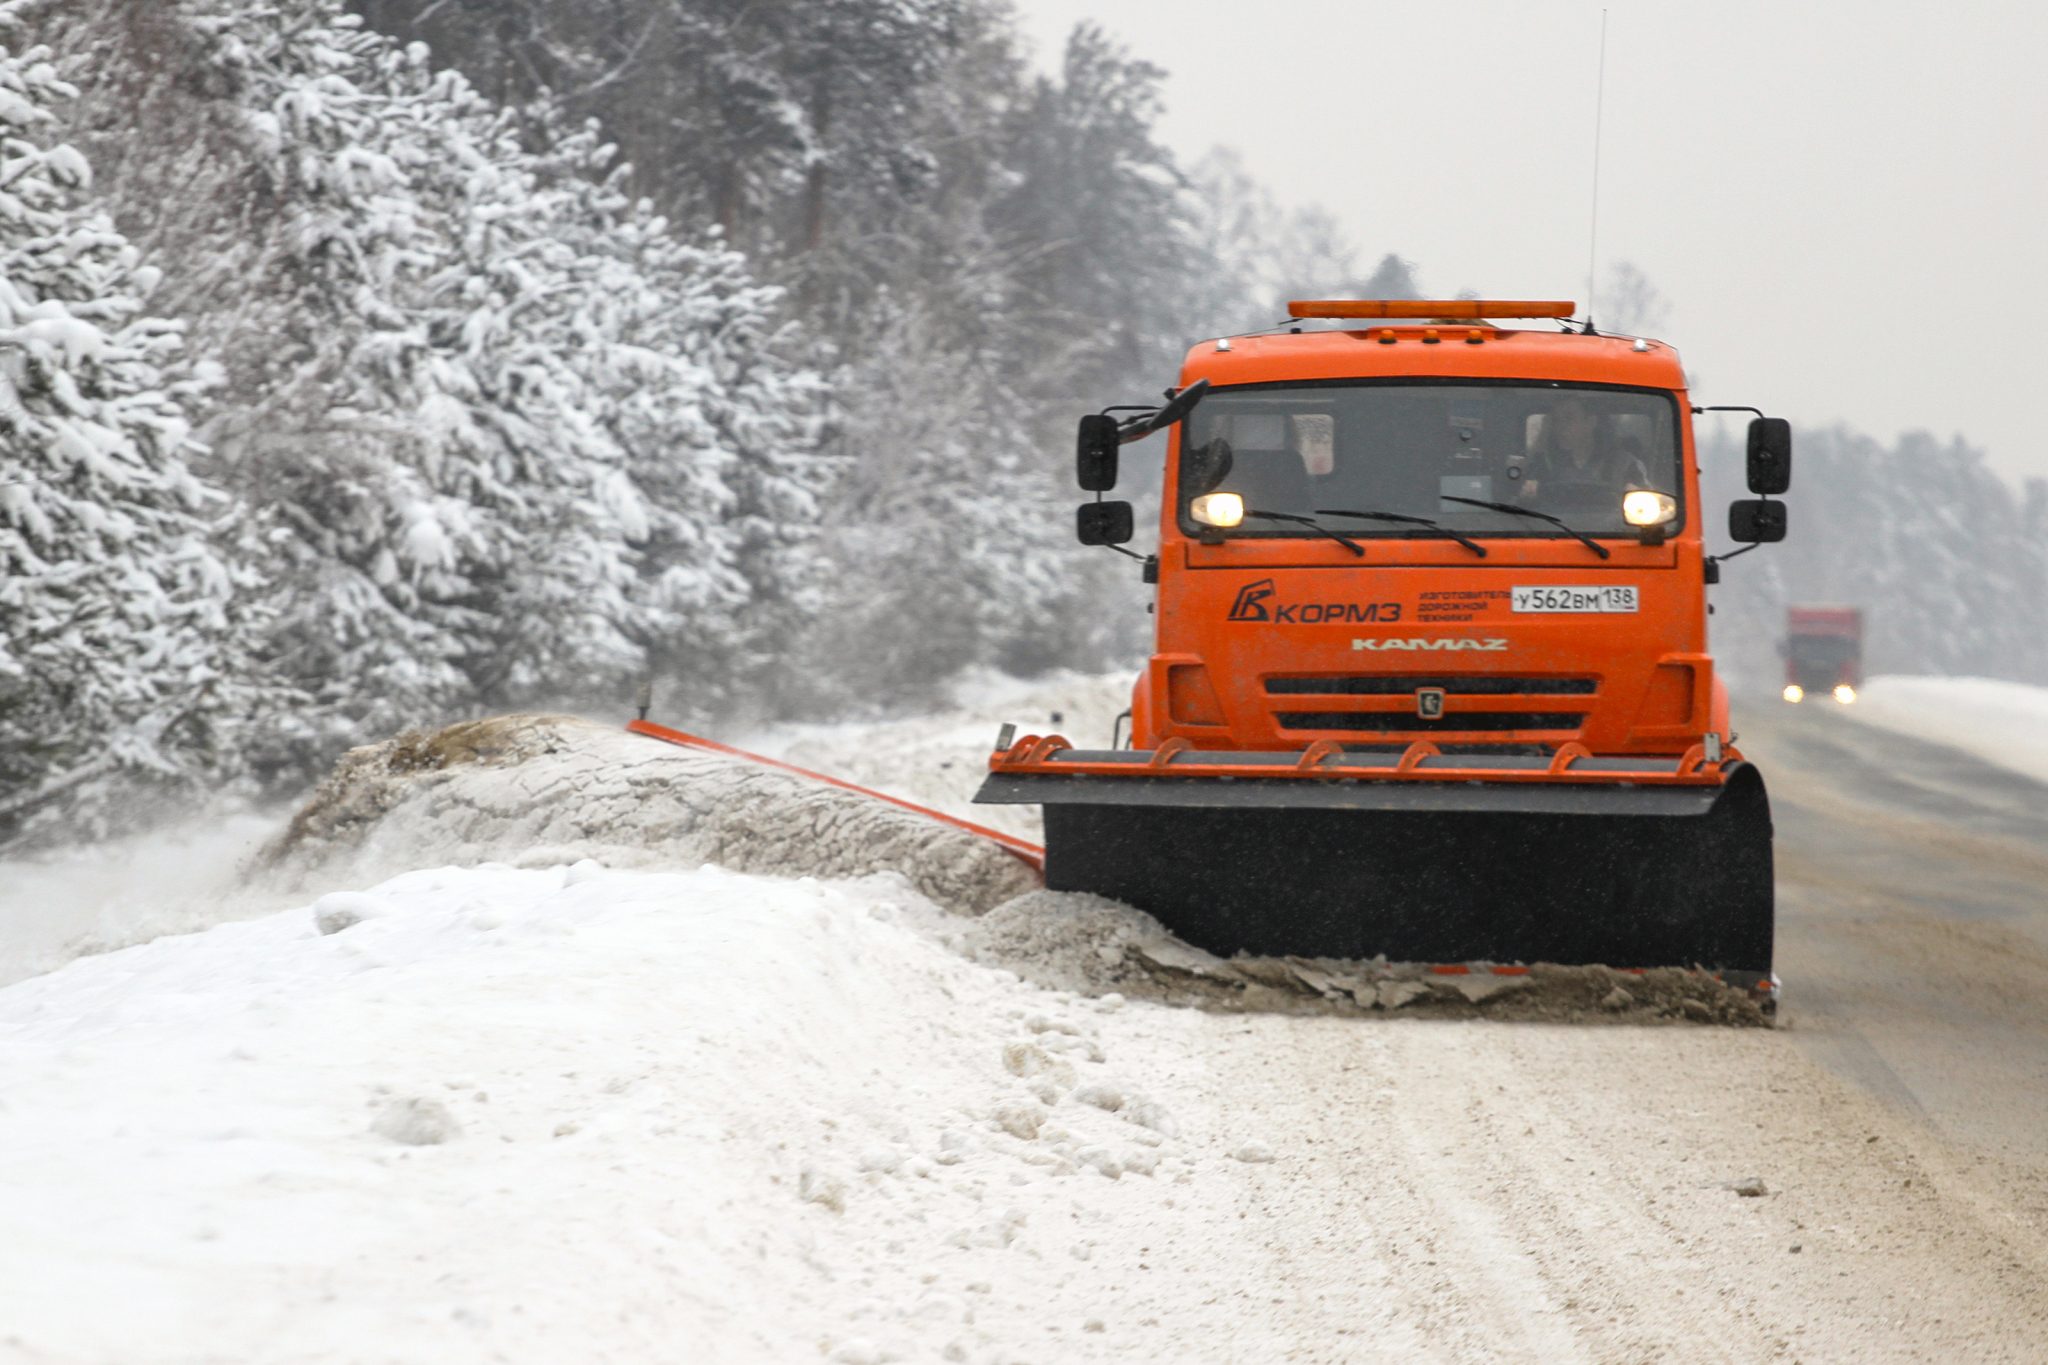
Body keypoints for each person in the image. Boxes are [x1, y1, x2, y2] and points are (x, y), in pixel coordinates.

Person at [1517, 394, 1649, 501]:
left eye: (1569, 419)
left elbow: (1651, 505)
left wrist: (1636, 493)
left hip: (1614, 530)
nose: (1560, 427)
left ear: (1591, 422)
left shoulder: (1624, 463)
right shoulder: (1541, 464)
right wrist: (1527, 493)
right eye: (1556, 420)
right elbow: (1516, 504)